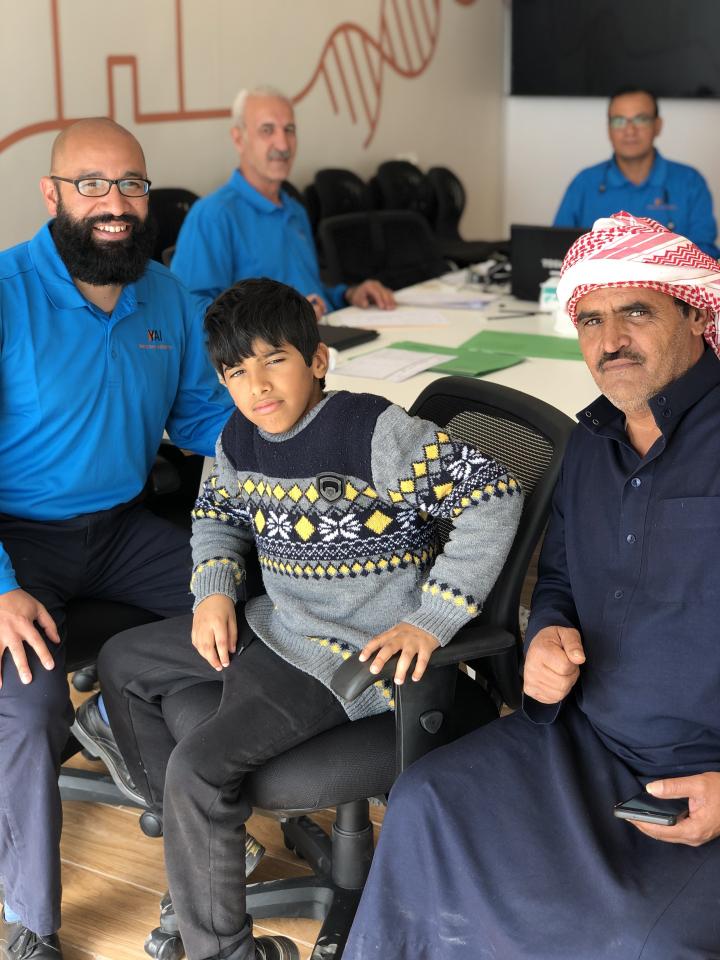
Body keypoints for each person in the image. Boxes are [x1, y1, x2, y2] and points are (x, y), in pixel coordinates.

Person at [92, 277, 523, 960]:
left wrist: (434, 617)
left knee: (197, 770)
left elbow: (494, 498)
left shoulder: (371, 433)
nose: (257, 386)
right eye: (236, 371)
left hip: (344, 654)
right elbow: (216, 516)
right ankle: (201, 853)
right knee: (122, 661)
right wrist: (212, 592)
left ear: (318, 360)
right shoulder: (238, 437)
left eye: (275, 361)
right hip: (274, 622)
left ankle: (222, 948)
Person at [342, 210, 720, 959]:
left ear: (694, 311)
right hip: (586, 738)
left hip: (702, 770)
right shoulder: (589, 443)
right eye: (589, 320)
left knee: (640, 938)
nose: (610, 341)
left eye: (636, 312)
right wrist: (547, 629)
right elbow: (560, 577)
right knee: (424, 803)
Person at [0, 117, 238, 960]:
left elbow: (203, 418)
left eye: (130, 185)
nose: (115, 204)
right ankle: (33, 920)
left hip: (127, 528)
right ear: (52, 196)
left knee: (240, 617)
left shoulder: (164, 294)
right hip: (16, 543)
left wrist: (286, 444)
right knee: (26, 712)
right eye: (92, 185)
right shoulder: (5, 292)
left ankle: (201, 834)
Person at [170, 85, 396, 317]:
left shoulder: (294, 210)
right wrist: (283, 320)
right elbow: (191, 313)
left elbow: (310, 292)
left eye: (289, 130)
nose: (283, 144)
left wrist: (348, 294)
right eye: (267, 130)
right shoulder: (213, 215)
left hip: (321, 343)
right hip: (271, 351)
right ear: (239, 139)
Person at [554, 87, 719, 259]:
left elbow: (705, 254)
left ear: (657, 126)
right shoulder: (584, 182)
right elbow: (556, 249)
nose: (630, 131)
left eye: (641, 119)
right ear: (608, 129)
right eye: (619, 121)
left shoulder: (690, 182)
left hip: (669, 285)